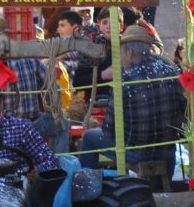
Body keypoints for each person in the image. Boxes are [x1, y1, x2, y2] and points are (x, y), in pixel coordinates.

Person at [78, 26, 185, 175]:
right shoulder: (171, 71)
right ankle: (166, 184)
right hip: (166, 150)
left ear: (129, 53)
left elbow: (109, 130)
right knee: (166, 144)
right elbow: (182, 111)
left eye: (120, 54)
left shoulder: (124, 81)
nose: (120, 60)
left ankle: (87, 185)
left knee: (90, 137)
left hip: (136, 152)